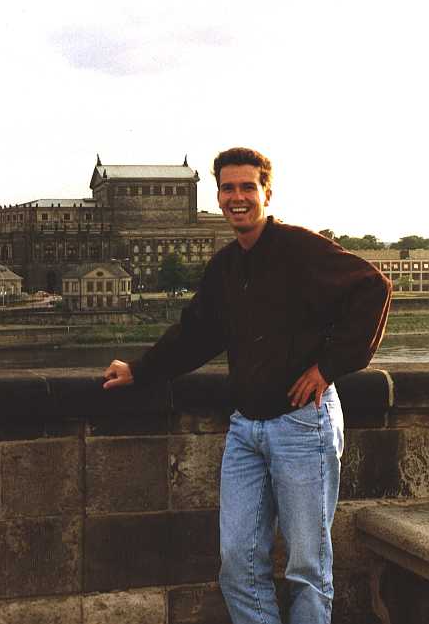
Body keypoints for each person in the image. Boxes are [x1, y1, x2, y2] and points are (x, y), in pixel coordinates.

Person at [103, 147, 392, 624]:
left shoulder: (299, 248)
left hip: (302, 426)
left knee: (307, 568)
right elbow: (196, 335)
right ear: (218, 196)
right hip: (246, 429)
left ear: (266, 193)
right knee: (237, 563)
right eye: (227, 188)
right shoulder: (225, 266)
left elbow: (374, 287)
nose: (236, 197)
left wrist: (327, 368)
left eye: (246, 187)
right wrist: (140, 370)